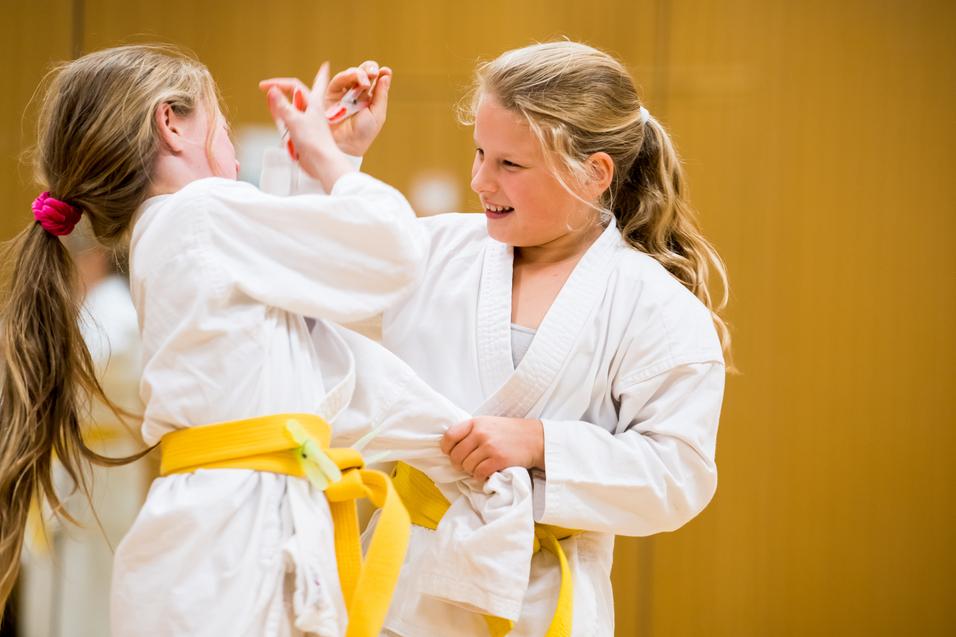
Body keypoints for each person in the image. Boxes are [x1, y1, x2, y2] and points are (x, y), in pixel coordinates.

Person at [0, 44, 534, 637]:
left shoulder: (182, 234)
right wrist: (327, 161)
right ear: (170, 123)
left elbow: (307, 323)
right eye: (222, 126)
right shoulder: (197, 214)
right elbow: (392, 252)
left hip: (223, 536)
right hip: (229, 543)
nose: (231, 150)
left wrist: (336, 159)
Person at [264, 41, 731, 636]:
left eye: (509, 165)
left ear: (593, 174)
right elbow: (297, 284)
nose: (479, 178)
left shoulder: (655, 307)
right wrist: (334, 159)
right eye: (480, 152)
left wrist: (542, 444)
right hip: (405, 585)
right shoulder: (431, 252)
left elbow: (678, 475)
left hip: (542, 601)